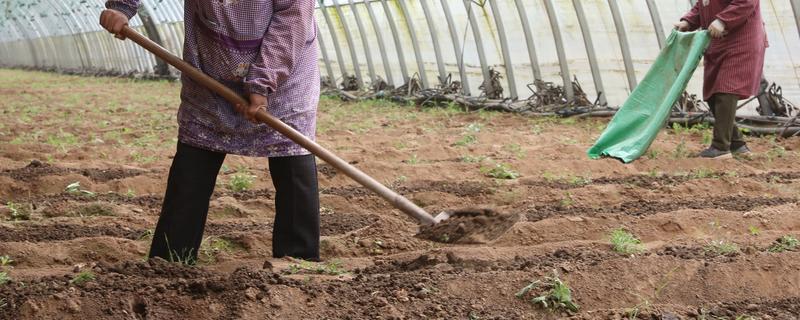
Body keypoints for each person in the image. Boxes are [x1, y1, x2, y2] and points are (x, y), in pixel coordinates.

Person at [99, 0, 321, 262]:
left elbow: (292, 19)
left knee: (291, 157)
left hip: (285, 72)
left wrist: (262, 83)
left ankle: (298, 261)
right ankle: (170, 261)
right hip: (210, 65)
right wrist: (122, 7)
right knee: (194, 163)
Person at [675, 0, 767, 159]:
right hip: (718, 42)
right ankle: (737, 144)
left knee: (726, 88)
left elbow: (745, 2)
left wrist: (723, 20)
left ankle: (720, 147)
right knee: (713, 94)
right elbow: (704, 4)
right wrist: (687, 21)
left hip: (740, 41)